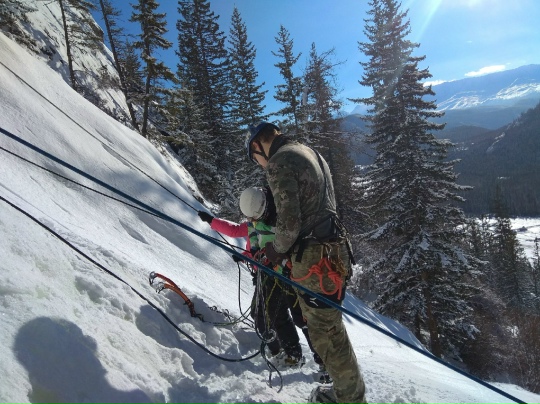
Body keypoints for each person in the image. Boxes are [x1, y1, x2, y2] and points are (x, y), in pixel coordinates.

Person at [246, 122, 368, 404]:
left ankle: (349, 399)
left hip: (314, 258)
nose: (260, 165)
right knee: (331, 329)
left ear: (257, 145)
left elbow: (289, 224)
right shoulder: (309, 152)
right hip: (335, 250)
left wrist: (274, 251)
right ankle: (348, 392)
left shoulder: (279, 161)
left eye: (255, 159)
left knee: (325, 333)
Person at [198, 187, 319, 370]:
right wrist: (212, 221)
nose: (252, 221)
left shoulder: (279, 224)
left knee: (294, 317)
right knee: (266, 314)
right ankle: (284, 351)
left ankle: (303, 356)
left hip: (285, 276)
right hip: (266, 275)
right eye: (250, 218)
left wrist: (260, 259)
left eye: (254, 218)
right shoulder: (254, 224)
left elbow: (276, 249)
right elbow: (237, 232)